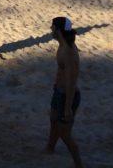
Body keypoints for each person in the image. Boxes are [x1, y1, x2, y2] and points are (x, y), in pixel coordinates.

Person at [46, 17, 84, 167]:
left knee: (65, 134)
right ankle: (50, 148)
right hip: (59, 91)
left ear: (58, 30)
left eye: (53, 27)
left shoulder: (68, 53)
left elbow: (71, 82)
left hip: (67, 96)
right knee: (53, 119)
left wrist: (68, 107)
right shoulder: (63, 44)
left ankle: (78, 164)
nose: (51, 29)